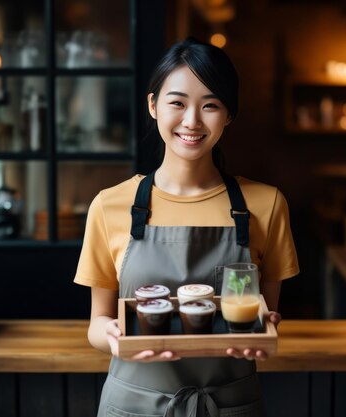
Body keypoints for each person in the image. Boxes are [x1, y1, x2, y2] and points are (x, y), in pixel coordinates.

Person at [74, 37, 299, 417]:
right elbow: (98, 323)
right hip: (133, 406)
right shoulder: (110, 205)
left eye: (210, 105)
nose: (192, 121)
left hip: (230, 406)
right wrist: (112, 338)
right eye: (177, 102)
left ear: (228, 114)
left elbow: (266, 317)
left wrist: (266, 329)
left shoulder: (267, 205)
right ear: (153, 105)